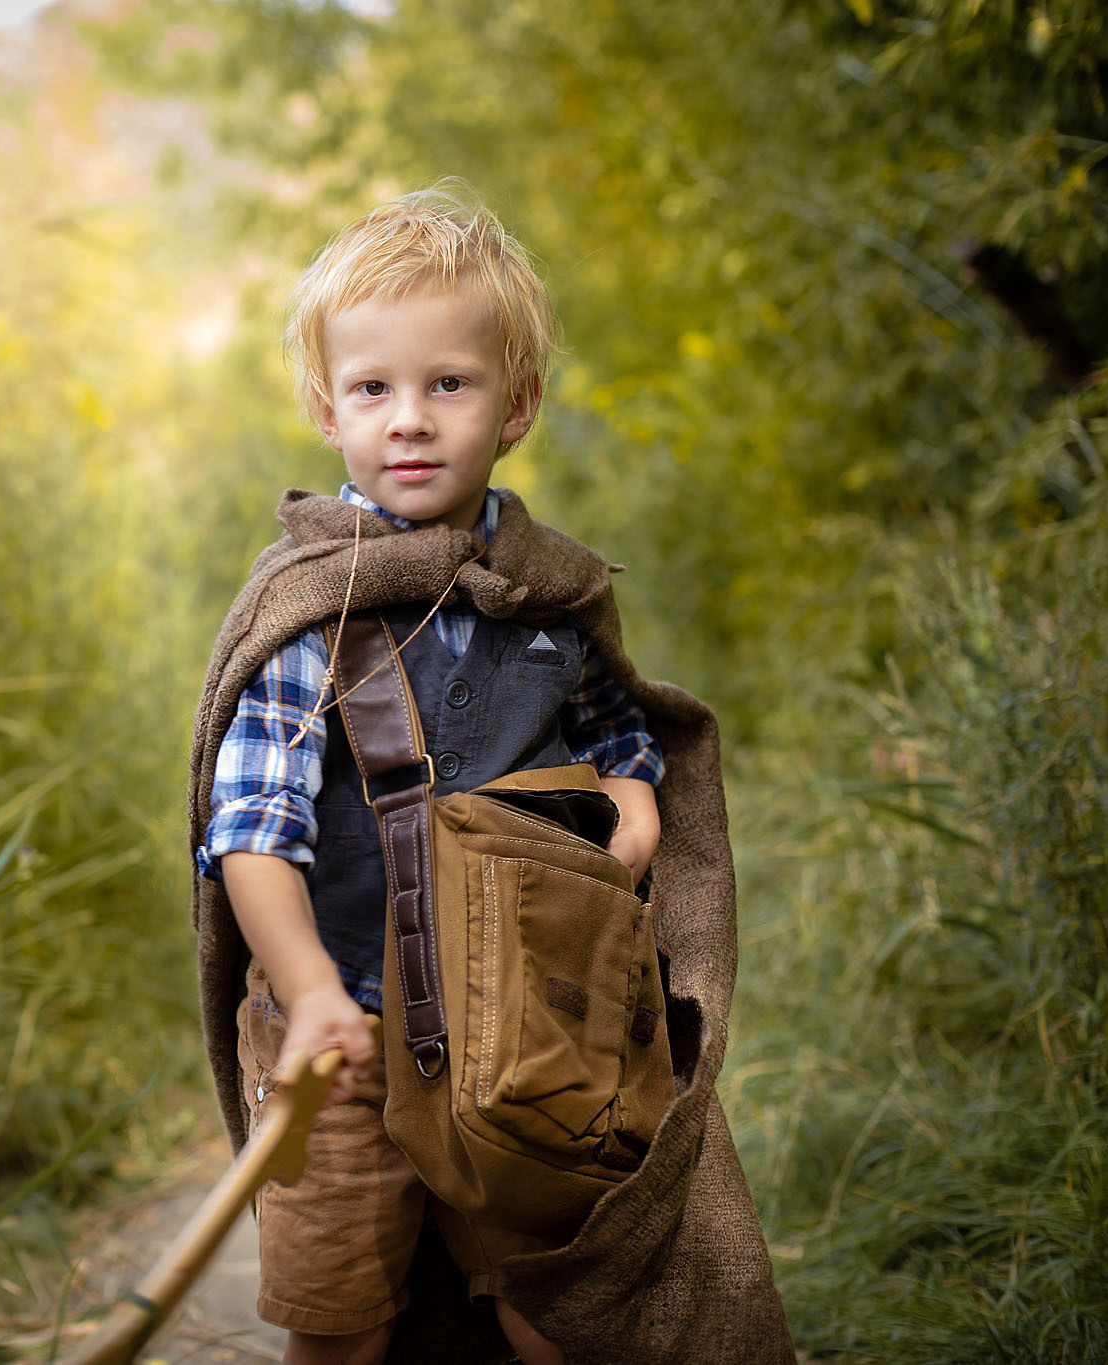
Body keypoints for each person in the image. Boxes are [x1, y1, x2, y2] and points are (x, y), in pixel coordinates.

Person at [187, 187, 793, 1365]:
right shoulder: (307, 612)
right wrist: (306, 987)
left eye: (447, 384)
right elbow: (250, 831)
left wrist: (626, 804)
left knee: (553, 1298)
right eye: (372, 389)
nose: (408, 420)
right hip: (341, 1033)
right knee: (344, 1320)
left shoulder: (548, 596)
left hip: (521, 1031)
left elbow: (621, 736)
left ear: (512, 406)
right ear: (326, 406)